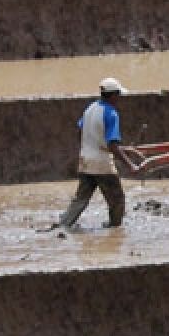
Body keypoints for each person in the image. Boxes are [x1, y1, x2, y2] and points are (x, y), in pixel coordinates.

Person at [58, 77, 136, 228]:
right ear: (113, 95)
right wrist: (131, 165)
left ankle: (63, 225)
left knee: (80, 199)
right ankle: (114, 229)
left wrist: (89, 148)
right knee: (117, 199)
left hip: (86, 162)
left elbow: (81, 131)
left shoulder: (90, 108)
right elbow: (113, 145)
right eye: (118, 95)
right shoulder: (111, 114)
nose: (119, 98)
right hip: (102, 165)